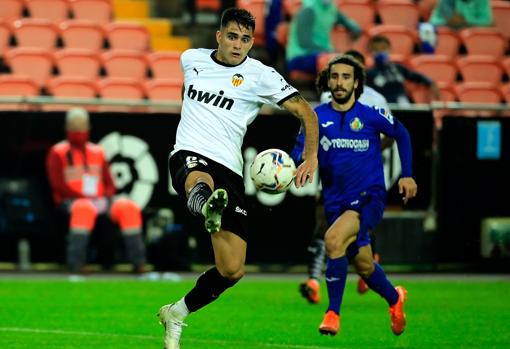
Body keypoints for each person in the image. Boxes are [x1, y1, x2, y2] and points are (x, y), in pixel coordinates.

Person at [158, 8, 319, 349]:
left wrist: (310, 155)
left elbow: (306, 111)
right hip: (189, 152)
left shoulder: (260, 75)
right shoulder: (192, 59)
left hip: (230, 169)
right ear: (218, 35)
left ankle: (177, 312)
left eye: (246, 39)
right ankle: (204, 207)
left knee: (232, 270)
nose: (238, 45)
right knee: (198, 179)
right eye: (232, 36)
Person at [292, 54, 417, 336]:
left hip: (369, 197)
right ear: (327, 82)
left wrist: (407, 174)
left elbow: (403, 134)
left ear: (356, 82)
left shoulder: (371, 114)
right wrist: (285, 167)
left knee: (333, 240)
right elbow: (299, 151)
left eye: (346, 77)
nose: (340, 82)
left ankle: (332, 314)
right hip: (336, 202)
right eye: (335, 77)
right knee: (364, 266)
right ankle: (395, 298)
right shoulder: (316, 118)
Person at [299, 50, 394, 304]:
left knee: (358, 226)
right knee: (324, 221)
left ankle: (368, 267)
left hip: (365, 178)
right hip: (333, 176)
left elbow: (392, 133)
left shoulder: (376, 100)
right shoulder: (328, 96)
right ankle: (314, 280)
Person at [46, 107, 146, 274]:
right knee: (84, 208)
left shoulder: (97, 151)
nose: (79, 131)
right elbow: (57, 185)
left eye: (81, 126)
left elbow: (109, 182)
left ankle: (139, 262)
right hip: (71, 201)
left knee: (128, 208)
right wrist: (84, 197)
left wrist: (105, 196)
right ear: (67, 129)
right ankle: (76, 263)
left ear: (88, 128)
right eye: (74, 127)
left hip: (101, 200)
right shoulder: (58, 151)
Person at [286, 0, 361, 75]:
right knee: (336, 63)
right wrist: (330, 52)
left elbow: (347, 22)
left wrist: (354, 27)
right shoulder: (308, 8)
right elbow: (304, 43)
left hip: (324, 53)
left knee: (352, 62)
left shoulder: (331, 8)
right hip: (300, 56)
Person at [366, 35, 440, 105]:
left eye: (383, 48)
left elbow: (418, 77)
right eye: (376, 49)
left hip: (404, 107)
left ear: (389, 49)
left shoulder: (399, 69)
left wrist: (431, 83)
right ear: (370, 51)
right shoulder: (368, 74)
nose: (380, 52)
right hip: (383, 109)